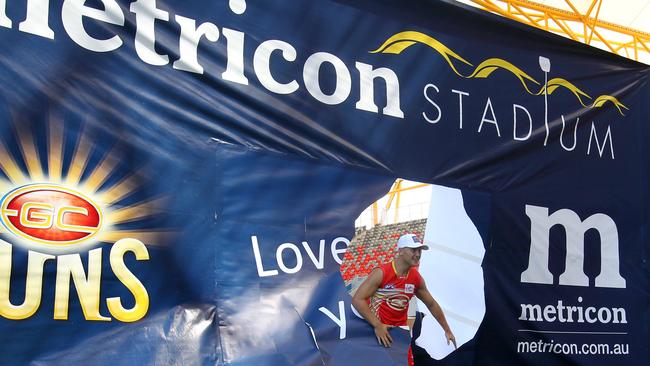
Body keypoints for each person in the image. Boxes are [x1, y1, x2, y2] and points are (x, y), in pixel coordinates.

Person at [352, 233, 456, 364]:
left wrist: (447, 330)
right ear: (400, 251)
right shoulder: (382, 272)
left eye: (419, 250)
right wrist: (377, 325)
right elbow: (357, 299)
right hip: (377, 331)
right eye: (413, 250)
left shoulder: (416, 278)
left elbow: (432, 304)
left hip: (400, 333)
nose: (418, 254)